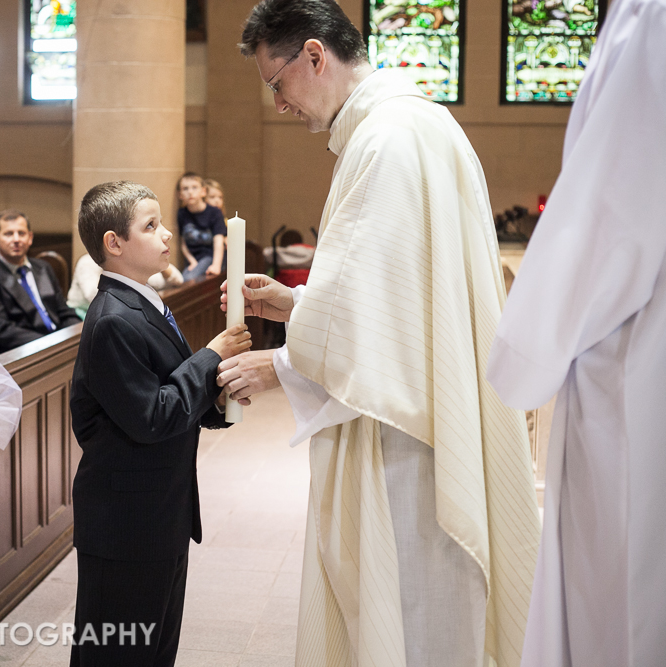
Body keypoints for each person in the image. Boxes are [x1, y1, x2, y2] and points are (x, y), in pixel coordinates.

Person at [216, 2, 541, 666]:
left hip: (407, 429)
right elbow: (398, 287)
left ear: (313, 55)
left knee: (411, 607)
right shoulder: (415, 122)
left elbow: (374, 296)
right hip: (426, 394)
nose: (278, 104)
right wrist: (297, 300)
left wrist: (276, 365)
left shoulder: (384, 136)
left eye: (276, 83)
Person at [487, 2, 666, 665]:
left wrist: (524, 351)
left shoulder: (650, 18)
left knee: (626, 595)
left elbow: (615, 212)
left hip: (641, 355)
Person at [69, 181, 251, 667]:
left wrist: (217, 397)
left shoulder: (146, 300)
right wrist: (212, 356)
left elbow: (168, 386)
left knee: (153, 651)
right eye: (151, 226)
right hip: (124, 519)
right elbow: (150, 415)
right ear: (114, 244)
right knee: (117, 653)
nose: (168, 233)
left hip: (158, 509)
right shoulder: (112, 319)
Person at [0, 209, 81, 355]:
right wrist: (50, 344)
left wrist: (79, 333)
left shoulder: (43, 267)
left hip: (58, 345)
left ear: (30, 238)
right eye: (8, 234)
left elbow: (63, 311)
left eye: (21, 233)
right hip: (20, 354)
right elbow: (0, 329)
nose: (16, 239)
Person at [66, 253, 183, 319]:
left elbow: (177, 280)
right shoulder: (88, 261)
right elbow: (93, 296)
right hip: (80, 315)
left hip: (115, 315)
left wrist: (158, 261)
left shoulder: (132, 262)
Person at [176, 173, 226, 281]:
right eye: (185, 189)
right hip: (193, 260)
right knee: (181, 280)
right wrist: (192, 261)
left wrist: (216, 265)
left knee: (188, 280)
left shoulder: (215, 212)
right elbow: (183, 243)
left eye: (194, 187)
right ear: (180, 195)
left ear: (203, 191)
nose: (190, 192)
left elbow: (218, 241)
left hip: (211, 257)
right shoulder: (182, 214)